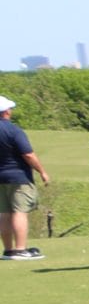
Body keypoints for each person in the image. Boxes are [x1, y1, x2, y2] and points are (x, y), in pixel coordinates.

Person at [0, 95, 51, 260]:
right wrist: (42, 171)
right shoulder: (14, 130)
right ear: (6, 112)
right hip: (18, 177)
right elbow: (28, 155)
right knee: (19, 212)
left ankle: (8, 250)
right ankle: (20, 249)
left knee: (4, 213)